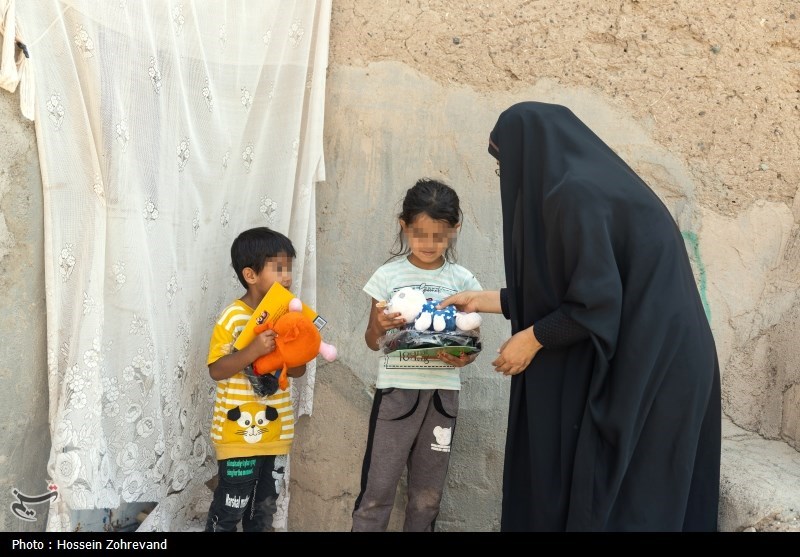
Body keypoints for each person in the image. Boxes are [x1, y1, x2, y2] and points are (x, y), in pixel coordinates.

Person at [439, 102, 721, 531]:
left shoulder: (574, 195)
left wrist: (531, 339)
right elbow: (579, 288)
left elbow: (595, 305)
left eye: (505, 167)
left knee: (633, 501)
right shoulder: (590, 182)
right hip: (657, 346)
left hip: (660, 365)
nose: (507, 180)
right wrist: (483, 300)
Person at [351, 178, 482, 532]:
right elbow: (371, 340)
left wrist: (464, 357)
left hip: (443, 396)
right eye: (420, 233)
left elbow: (473, 342)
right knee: (377, 492)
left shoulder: (463, 279)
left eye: (439, 235)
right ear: (404, 226)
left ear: (455, 229)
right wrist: (379, 326)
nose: (429, 243)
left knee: (427, 498)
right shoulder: (387, 275)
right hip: (396, 393)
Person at [204, 226, 307, 532]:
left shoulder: (287, 315)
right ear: (250, 275)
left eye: (289, 267)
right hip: (238, 437)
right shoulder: (232, 317)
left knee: (263, 512)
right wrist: (252, 350)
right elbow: (216, 370)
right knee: (230, 508)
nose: (287, 276)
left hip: (276, 434)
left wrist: (299, 343)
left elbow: (297, 371)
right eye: (279, 268)